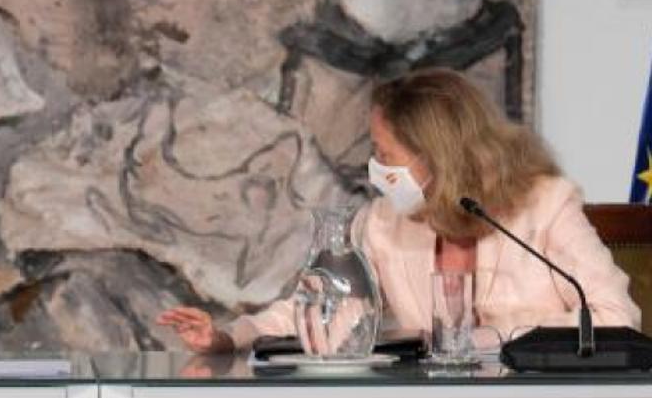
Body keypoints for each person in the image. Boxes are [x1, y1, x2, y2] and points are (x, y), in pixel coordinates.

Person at [158, 67, 639, 353]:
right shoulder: (383, 223)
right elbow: (324, 309)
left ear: (437, 156)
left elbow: (616, 318)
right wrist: (231, 335)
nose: (376, 167)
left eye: (385, 154)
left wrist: (494, 338)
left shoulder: (547, 205)